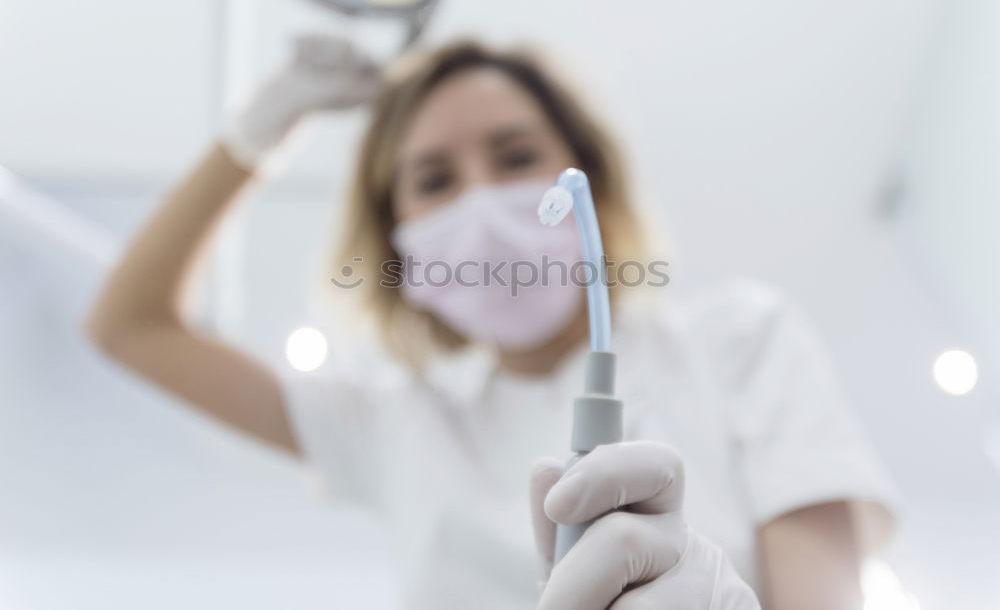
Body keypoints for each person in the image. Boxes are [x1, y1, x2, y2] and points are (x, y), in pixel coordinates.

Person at [84, 35, 897, 609]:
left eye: (514, 158)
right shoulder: (392, 417)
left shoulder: (736, 341)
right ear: (394, 236)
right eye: (434, 178)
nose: (480, 204)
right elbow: (130, 323)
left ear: (591, 179)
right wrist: (258, 130)